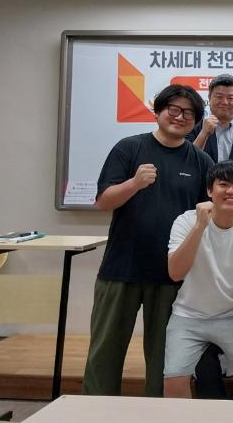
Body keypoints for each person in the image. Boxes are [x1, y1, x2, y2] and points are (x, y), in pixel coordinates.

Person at [83, 84, 212, 397]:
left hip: (171, 275)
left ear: (196, 120)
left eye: (189, 113)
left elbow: (207, 216)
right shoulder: (129, 148)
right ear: (158, 111)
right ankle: (93, 416)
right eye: (174, 109)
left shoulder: (200, 161)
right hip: (121, 269)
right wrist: (134, 183)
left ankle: (158, 419)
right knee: (105, 352)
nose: (180, 117)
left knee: (165, 360)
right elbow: (104, 201)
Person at [163, 160, 233, 401]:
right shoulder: (186, 221)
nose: (231, 191)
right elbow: (175, 273)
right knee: (174, 380)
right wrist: (200, 226)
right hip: (189, 315)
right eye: (223, 184)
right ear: (209, 190)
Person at [187, 74, 233, 162]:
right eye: (219, 97)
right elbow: (185, 160)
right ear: (209, 98)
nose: (225, 102)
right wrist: (204, 133)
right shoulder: (191, 129)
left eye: (230, 98)